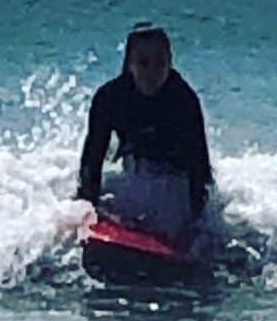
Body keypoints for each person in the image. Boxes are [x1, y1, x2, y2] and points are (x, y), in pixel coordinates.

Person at [77, 22, 213, 240]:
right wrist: (85, 207)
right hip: (135, 170)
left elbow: (200, 167)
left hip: (174, 179)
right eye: (143, 63)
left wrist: (197, 227)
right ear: (129, 63)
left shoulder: (183, 100)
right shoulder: (110, 97)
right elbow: (92, 159)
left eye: (160, 63)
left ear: (170, 63)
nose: (152, 72)